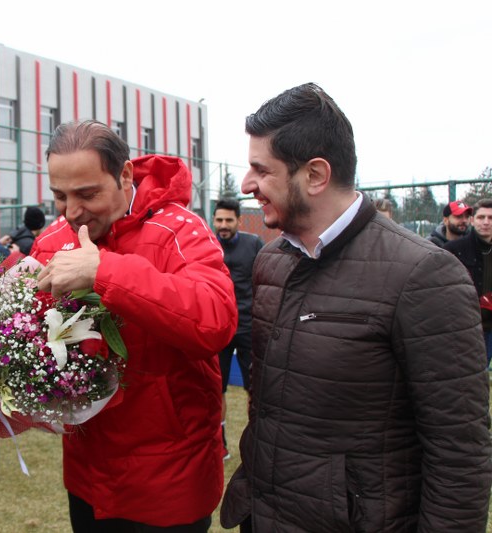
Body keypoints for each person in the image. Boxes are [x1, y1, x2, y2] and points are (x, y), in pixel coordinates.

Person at [220, 83, 492, 532]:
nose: (247, 185)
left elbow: (459, 453)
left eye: (261, 170)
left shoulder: (424, 274)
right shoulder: (271, 261)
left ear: (315, 175)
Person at [31, 120, 237, 530]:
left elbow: (215, 320)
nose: (72, 211)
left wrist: (105, 271)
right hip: (88, 478)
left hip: (169, 482)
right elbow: (26, 325)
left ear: (125, 175)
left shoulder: (179, 229)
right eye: (60, 196)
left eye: (87, 194)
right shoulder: (53, 240)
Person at [211, 198, 263, 460]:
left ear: (239, 221)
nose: (223, 225)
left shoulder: (254, 244)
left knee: (254, 389)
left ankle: (256, 443)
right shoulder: (206, 244)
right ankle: (220, 445)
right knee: (216, 389)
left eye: (228, 220)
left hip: (248, 328)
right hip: (217, 329)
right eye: (219, 219)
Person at [444, 198, 492, 366]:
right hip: (467, 326)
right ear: (472, 220)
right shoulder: (454, 249)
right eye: (481, 217)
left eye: (490, 218)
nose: (486, 222)